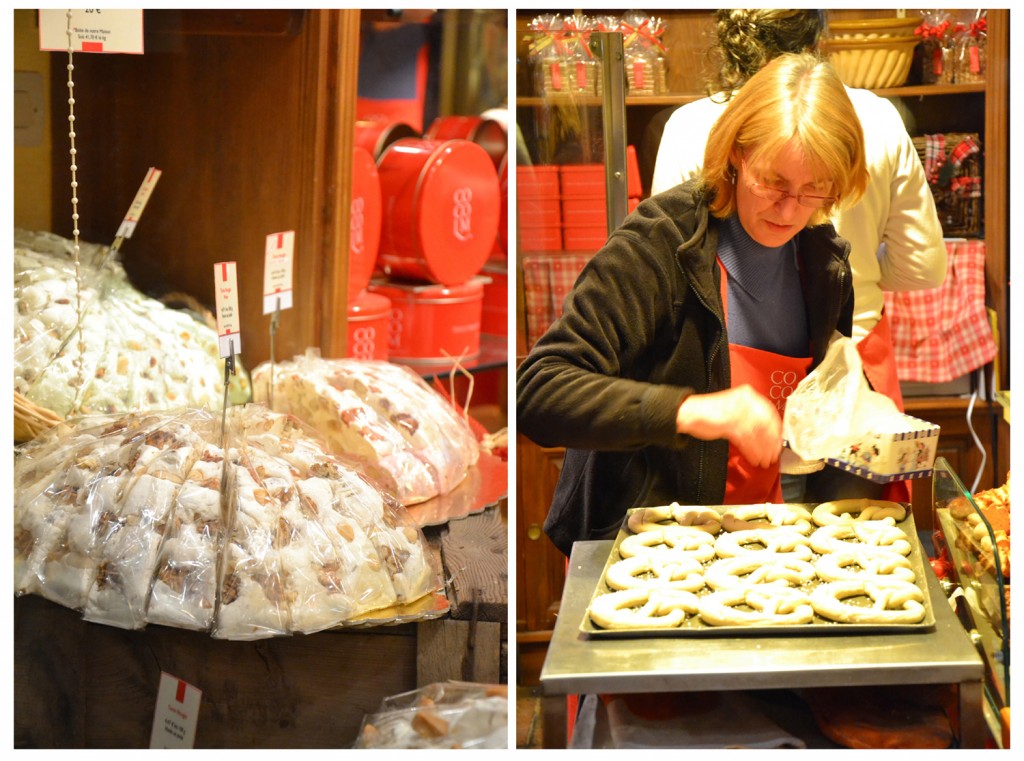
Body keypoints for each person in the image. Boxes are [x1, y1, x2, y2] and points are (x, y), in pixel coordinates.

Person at [516, 52, 868, 558]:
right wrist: (690, 410)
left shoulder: (823, 262)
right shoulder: (659, 246)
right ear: (736, 154)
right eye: (774, 183)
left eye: (815, 189)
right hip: (649, 547)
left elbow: (821, 403)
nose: (790, 209)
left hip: (769, 538)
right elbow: (539, 390)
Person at [651, 9, 947, 502]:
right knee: (860, 546)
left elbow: (669, 276)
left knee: (751, 551)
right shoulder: (876, 117)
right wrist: (863, 278)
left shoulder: (689, 125)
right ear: (818, 36)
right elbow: (923, 266)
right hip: (851, 366)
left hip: (736, 374)